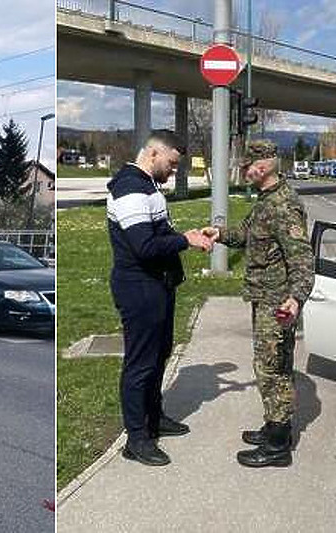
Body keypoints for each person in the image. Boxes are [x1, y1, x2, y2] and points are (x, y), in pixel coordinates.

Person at [204, 140, 314, 468]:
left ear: (262, 167)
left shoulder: (283, 205)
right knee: (270, 365)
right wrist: (219, 234)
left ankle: (278, 446)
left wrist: (295, 298)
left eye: (247, 167)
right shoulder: (266, 201)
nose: (243, 171)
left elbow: (303, 258)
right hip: (264, 299)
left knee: (272, 369)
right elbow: (245, 234)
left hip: (277, 303)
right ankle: (273, 426)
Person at [107, 130, 212, 467]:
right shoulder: (129, 187)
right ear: (154, 153)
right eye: (172, 163)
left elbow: (158, 231)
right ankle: (136, 439)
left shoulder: (147, 185)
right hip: (139, 288)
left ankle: (154, 418)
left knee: (159, 355)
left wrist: (188, 235)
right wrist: (186, 241)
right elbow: (144, 246)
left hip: (157, 285)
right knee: (140, 363)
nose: (175, 171)